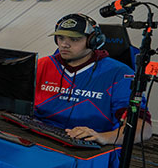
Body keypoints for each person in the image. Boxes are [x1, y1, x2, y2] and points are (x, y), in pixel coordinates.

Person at [35, 13, 152, 144]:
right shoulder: (41, 65)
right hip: (39, 136)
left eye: (74, 39)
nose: (64, 44)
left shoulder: (119, 73)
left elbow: (144, 129)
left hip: (88, 145)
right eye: (60, 38)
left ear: (93, 41)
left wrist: (104, 137)